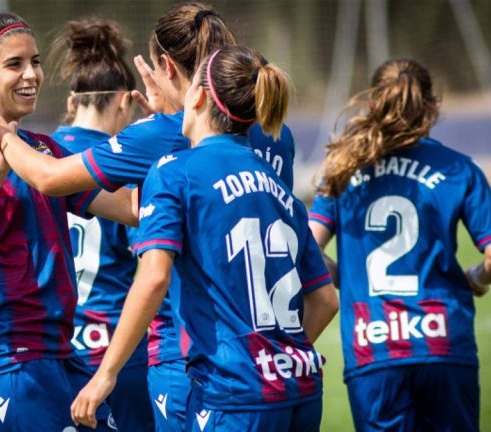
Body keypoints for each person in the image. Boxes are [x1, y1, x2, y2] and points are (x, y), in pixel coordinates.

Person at [0, 4, 295, 429]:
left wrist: (0, 129)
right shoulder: (277, 131)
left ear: (166, 66)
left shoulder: (161, 139)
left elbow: (50, 177)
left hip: (190, 357)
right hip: (277, 361)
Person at [70, 45, 339, 432]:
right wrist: (278, 360)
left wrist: (105, 374)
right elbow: (325, 299)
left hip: (234, 395)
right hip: (300, 388)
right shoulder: (278, 186)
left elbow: (154, 277)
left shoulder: (175, 171)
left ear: (195, 96)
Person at [0, 12, 135, 431]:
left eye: (35, 61)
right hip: (3, 362)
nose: (32, 74)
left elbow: (130, 208)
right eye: (15, 64)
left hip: (59, 354)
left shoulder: (43, 150)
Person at [307, 58, 491, 431]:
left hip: (374, 348)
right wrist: (476, 278)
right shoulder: (458, 168)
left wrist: (348, 277)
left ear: (373, 103)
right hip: (444, 342)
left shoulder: (341, 167)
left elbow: (306, 250)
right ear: (431, 106)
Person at [49, 18, 155, 432]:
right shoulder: (125, 166)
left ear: (72, 102)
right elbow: (152, 262)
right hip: (116, 350)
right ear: (125, 102)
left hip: (56, 349)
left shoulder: (41, 157)